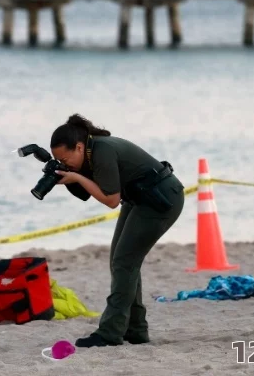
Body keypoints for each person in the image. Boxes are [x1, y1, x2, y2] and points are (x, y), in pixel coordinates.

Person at [47, 114, 185, 348]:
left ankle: (110, 333)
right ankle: (136, 329)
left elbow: (111, 199)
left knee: (124, 262)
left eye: (65, 158)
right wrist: (68, 177)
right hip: (139, 199)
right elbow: (89, 191)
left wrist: (77, 177)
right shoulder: (89, 153)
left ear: (79, 147)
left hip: (161, 200)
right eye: (58, 160)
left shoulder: (102, 151)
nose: (64, 163)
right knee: (120, 261)